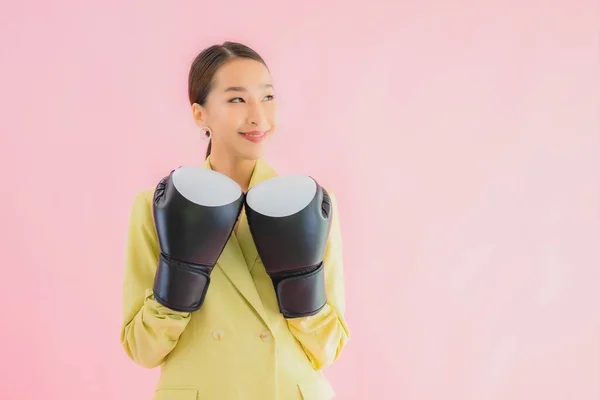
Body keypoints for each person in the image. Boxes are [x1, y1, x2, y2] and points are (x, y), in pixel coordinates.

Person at [120, 41, 350, 400]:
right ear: (200, 114)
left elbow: (330, 348)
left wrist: (300, 288)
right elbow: (141, 349)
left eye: (268, 97)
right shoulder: (156, 206)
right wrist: (178, 284)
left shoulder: (312, 205)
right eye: (237, 99)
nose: (259, 116)